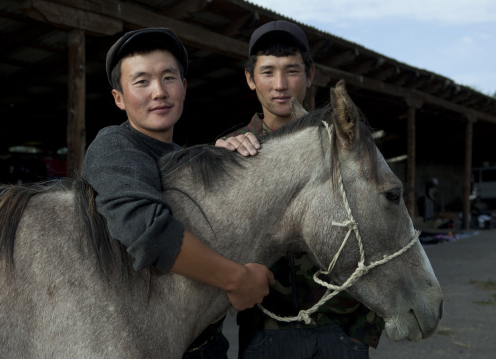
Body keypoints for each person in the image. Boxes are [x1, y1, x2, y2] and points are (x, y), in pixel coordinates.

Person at [81, 28, 274, 358]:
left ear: (183, 87)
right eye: (142, 81)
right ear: (119, 98)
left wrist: (218, 162)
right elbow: (147, 232)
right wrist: (237, 280)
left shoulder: (185, 155)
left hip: (206, 343)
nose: (159, 92)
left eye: (169, 78)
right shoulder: (114, 145)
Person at [216, 20, 384, 358]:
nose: (280, 85)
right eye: (267, 72)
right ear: (250, 78)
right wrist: (219, 168)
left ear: (310, 75)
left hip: (339, 331)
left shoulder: (345, 148)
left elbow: (380, 227)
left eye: (291, 71)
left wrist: (362, 333)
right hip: (264, 333)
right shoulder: (232, 153)